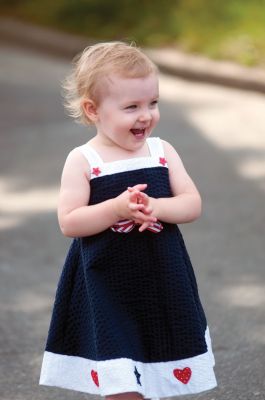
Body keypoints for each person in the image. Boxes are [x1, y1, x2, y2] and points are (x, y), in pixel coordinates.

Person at [39, 41, 217, 400]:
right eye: (131, 107)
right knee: (120, 378)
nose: (146, 115)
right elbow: (70, 222)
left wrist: (157, 206)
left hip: (162, 279)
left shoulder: (162, 152)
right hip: (106, 286)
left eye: (153, 103)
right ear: (93, 110)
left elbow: (192, 203)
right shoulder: (84, 160)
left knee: (160, 366)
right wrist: (115, 209)